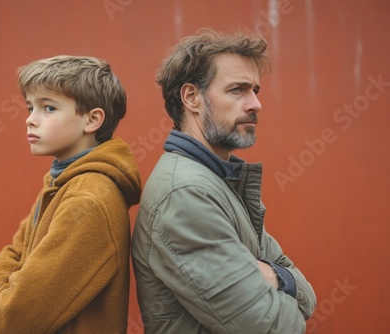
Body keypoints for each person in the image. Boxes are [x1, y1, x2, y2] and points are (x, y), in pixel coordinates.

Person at [131, 29, 316, 333]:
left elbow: (307, 294)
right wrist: (286, 281)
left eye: (255, 90)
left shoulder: (217, 181)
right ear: (192, 97)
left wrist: (279, 277)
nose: (256, 104)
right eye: (237, 90)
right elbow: (272, 327)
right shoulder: (186, 194)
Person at [0, 55, 142, 334]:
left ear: (92, 119)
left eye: (49, 108)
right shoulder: (60, 180)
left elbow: (7, 322)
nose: (30, 120)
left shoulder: (87, 199)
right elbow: (17, 249)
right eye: (30, 107)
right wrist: (12, 274)